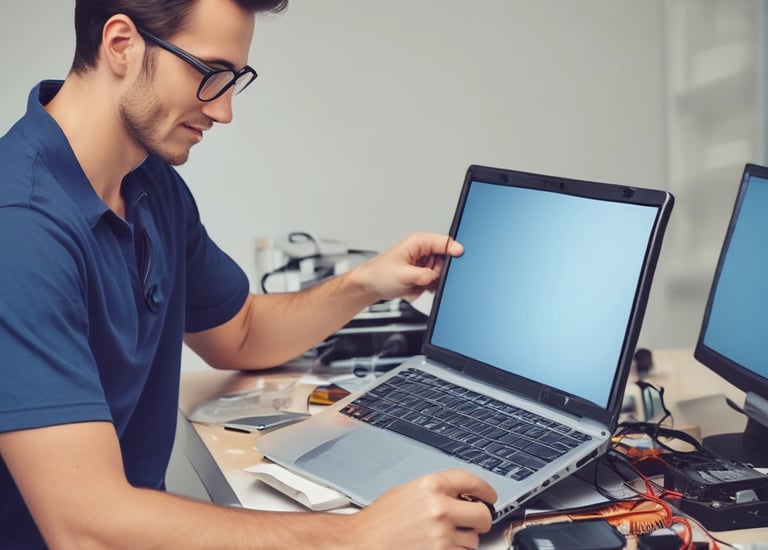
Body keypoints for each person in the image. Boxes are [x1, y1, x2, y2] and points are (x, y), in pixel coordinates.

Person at [0, 0, 497, 548]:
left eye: (236, 81)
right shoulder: (19, 231)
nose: (224, 111)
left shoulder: (150, 185)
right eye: (211, 75)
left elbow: (240, 334)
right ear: (121, 44)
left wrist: (367, 283)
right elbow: (82, 528)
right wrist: (356, 537)